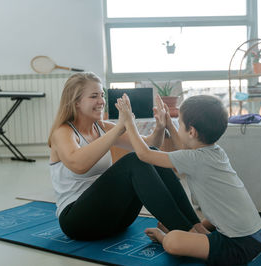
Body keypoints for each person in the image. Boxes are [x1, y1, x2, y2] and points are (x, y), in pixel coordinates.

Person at [48, 72, 207, 241]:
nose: (101, 101)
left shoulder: (101, 127)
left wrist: (160, 127)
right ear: (76, 102)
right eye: (94, 96)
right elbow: (78, 164)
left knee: (150, 154)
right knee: (134, 160)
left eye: (102, 95)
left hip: (114, 218)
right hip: (77, 221)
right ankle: (188, 235)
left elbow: (147, 145)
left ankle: (197, 227)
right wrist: (120, 126)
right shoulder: (63, 132)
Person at [115, 94, 261, 266]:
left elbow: (144, 154)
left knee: (173, 241)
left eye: (179, 123)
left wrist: (128, 122)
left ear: (192, 131)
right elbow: (184, 149)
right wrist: (169, 125)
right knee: (210, 218)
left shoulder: (194, 159)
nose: (177, 126)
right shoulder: (215, 152)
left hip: (238, 246)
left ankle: (168, 237)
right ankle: (196, 233)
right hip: (258, 234)